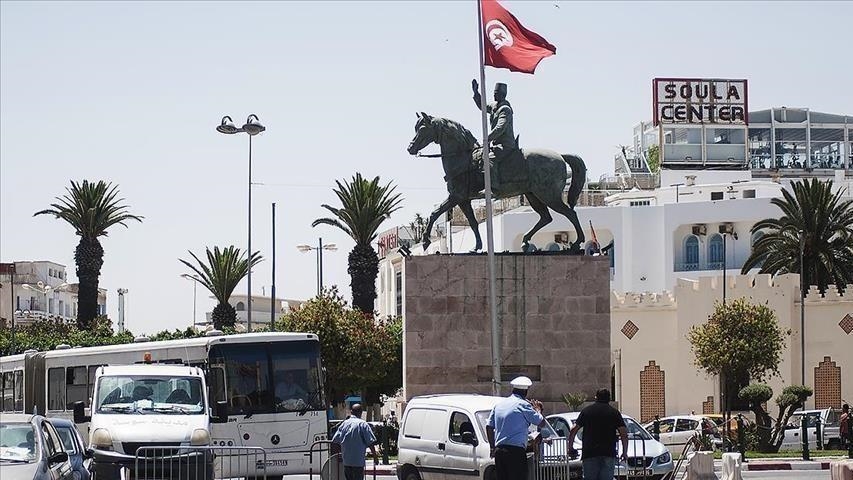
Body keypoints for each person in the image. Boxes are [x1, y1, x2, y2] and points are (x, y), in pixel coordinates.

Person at [486, 376, 551, 480]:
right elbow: (541, 423)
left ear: (513, 389)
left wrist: (492, 447)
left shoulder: (499, 405)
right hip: (515, 452)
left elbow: (489, 426)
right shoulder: (523, 405)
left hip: (499, 451)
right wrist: (538, 410)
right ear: (526, 391)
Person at [567, 389, 628, 480]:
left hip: (590, 453)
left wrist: (570, 447)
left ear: (596, 397)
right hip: (608, 452)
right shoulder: (614, 413)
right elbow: (623, 433)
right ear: (609, 399)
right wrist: (624, 452)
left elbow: (573, 430)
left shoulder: (586, 411)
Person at [471, 79, 518, 189]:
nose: (495, 95)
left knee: (489, 159)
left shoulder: (505, 109)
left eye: (497, 94)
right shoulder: (494, 106)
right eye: (494, 93)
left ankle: (494, 187)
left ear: (503, 95)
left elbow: (500, 128)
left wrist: (487, 138)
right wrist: (476, 93)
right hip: (497, 145)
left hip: (506, 145)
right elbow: (482, 105)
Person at [331, 403, 378, 480]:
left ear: (351, 412)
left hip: (347, 461)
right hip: (358, 462)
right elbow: (370, 442)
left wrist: (336, 456)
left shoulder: (344, 424)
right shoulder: (363, 424)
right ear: (361, 413)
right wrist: (375, 457)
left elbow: (335, 441)